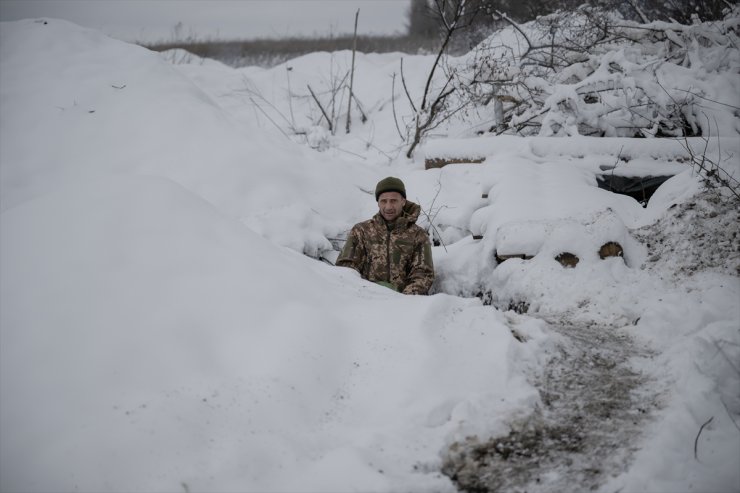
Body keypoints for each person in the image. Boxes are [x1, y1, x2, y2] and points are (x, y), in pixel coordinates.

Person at [336, 176, 434, 295]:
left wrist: (403, 299)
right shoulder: (361, 231)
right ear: (378, 202)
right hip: (364, 300)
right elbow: (346, 270)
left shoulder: (418, 235)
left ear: (403, 201)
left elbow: (423, 274)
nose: (388, 207)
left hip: (406, 304)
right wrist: (365, 293)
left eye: (393, 201)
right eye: (383, 201)